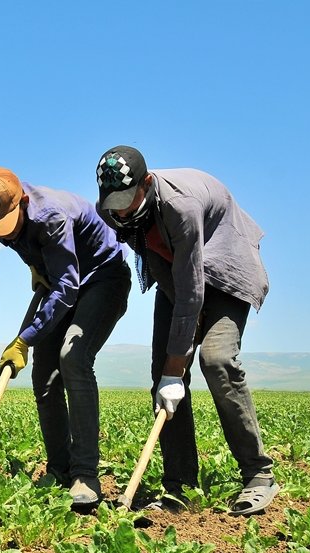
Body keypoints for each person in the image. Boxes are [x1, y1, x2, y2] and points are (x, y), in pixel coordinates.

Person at [95, 145, 278, 515]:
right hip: (174, 274)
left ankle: (259, 474)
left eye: (128, 199)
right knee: (161, 375)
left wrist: (179, 364)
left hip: (223, 265)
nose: (122, 209)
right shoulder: (116, 210)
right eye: (114, 202)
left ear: (146, 184)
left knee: (216, 359)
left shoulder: (182, 206)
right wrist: (171, 368)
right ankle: (180, 487)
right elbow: (174, 280)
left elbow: (193, 288)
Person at [0, 167, 131, 509]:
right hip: (62, 280)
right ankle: (59, 469)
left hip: (102, 277)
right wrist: (38, 269)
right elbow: (52, 274)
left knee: (73, 356)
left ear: (23, 202)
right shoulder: (3, 218)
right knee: (43, 376)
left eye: (9, 223)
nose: (5, 234)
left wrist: (25, 338)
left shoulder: (51, 216)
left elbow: (67, 287)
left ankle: (85, 473)